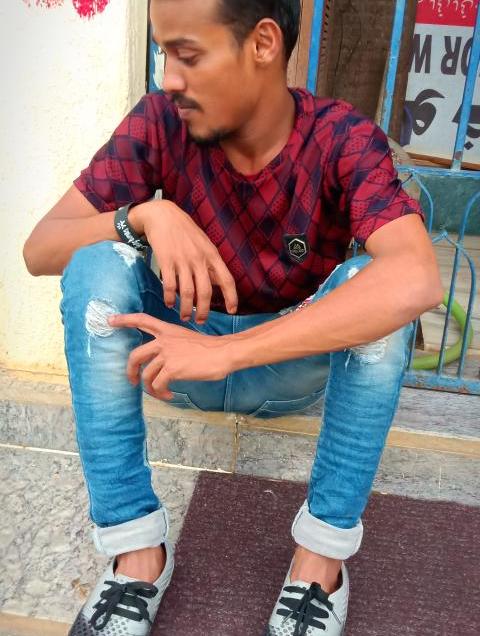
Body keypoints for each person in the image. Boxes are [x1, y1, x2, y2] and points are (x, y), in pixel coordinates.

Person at [23, 0, 443, 634]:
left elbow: (417, 276)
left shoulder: (341, 136)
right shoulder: (160, 121)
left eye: (187, 55)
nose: (169, 78)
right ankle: (136, 556)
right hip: (176, 358)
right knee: (95, 262)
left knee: (377, 287)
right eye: (163, 53)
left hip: (286, 369)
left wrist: (226, 352)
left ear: (263, 44)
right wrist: (144, 216)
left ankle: (319, 567)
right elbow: (40, 248)